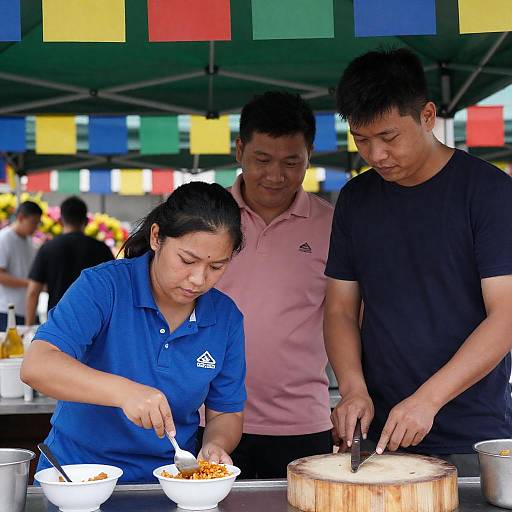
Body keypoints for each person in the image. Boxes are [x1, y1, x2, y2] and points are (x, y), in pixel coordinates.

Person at [325, 48, 512, 477]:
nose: (375, 155)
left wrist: (428, 399)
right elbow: (339, 308)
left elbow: (505, 315)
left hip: (471, 429)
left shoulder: (488, 192)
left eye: (388, 137)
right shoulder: (356, 200)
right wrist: (352, 389)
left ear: (427, 115)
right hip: (379, 431)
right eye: (361, 139)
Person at [21, 182, 246, 483]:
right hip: (76, 475)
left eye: (217, 266)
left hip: (168, 483)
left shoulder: (226, 318)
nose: (198, 279)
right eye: (187, 261)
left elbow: (224, 413)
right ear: (156, 237)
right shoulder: (104, 287)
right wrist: (124, 392)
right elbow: (38, 366)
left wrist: (215, 445)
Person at [213, 91, 334, 478]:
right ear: (239, 149)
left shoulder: (334, 225)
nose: (275, 175)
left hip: (303, 423)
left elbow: (351, 319)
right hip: (208, 418)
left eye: (291, 162)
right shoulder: (207, 218)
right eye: (262, 160)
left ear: (309, 154)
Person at [25, 196, 114, 326]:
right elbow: (114, 288)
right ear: (86, 221)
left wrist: (29, 328)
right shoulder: (101, 249)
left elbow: (33, 292)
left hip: (58, 324)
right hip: (93, 322)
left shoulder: (48, 248)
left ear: (60, 221)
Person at [0, 200, 42, 330]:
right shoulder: (4, 239)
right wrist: (30, 284)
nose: (36, 227)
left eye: (38, 223)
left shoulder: (29, 241)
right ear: (20, 218)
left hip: (29, 309)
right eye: (33, 222)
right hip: (8, 310)